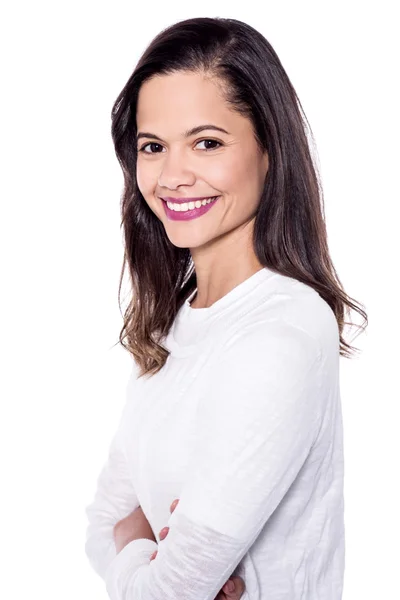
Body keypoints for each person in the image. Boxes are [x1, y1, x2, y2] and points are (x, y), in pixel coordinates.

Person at [84, 16, 368, 600]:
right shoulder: (172, 327)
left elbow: (174, 589)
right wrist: (145, 552)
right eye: (153, 146)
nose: (173, 175)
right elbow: (100, 526)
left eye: (207, 142)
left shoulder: (280, 331)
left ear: (269, 149)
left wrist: (139, 547)